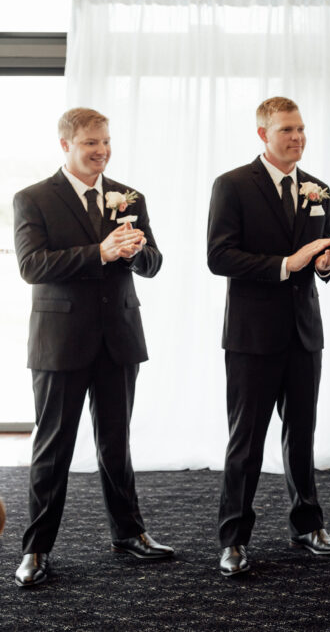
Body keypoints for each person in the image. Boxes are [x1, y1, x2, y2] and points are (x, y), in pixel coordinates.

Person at [12, 107, 173, 588]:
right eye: (90, 143)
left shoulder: (129, 196)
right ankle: (36, 549)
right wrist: (99, 252)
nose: (101, 150)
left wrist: (135, 250)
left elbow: (153, 262)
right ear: (66, 145)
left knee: (116, 444)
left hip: (118, 339)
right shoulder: (33, 198)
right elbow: (31, 265)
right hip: (60, 343)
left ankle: (130, 533)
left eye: (105, 141)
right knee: (52, 448)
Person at [207, 96, 330, 577]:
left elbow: (320, 258)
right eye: (287, 130)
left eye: (301, 129)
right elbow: (219, 257)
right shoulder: (231, 185)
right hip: (251, 336)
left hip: (303, 331)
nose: (297, 137)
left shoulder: (319, 189)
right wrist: (285, 265)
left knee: (302, 435)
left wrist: (325, 264)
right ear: (262, 134)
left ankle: (308, 527)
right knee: (245, 441)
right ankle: (233, 539)